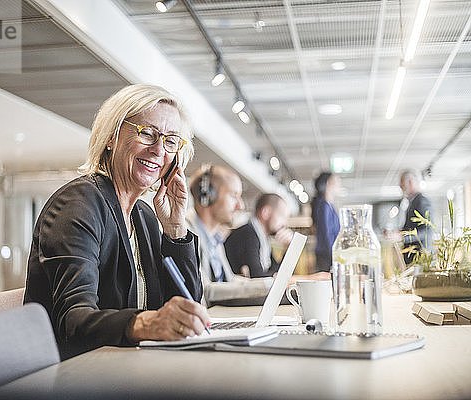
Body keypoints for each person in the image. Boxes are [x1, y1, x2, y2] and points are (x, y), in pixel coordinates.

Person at [24, 84, 210, 360]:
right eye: (147, 133)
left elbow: (186, 307)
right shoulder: (78, 204)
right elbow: (73, 321)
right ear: (111, 137)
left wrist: (174, 228)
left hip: (126, 365)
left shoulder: (144, 216)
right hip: (73, 376)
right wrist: (146, 323)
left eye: (171, 140)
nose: (159, 149)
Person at [187, 165, 273, 306]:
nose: (240, 205)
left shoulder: (215, 238)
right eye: (234, 196)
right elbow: (206, 291)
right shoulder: (185, 234)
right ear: (207, 196)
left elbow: (229, 281)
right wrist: (267, 286)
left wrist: (277, 284)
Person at [225, 193, 331, 285]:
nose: (285, 223)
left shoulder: (261, 236)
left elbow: (276, 272)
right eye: (282, 217)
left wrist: (289, 247)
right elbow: (259, 279)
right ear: (266, 212)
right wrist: (308, 279)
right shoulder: (248, 235)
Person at [399, 169, 433, 264]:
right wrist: (398, 233)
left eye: (401, 183)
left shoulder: (422, 202)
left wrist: (402, 237)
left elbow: (427, 231)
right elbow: (412, 228)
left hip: (421, 258)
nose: (400, 186)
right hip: (414, 258)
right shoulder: (413, 202)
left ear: (410, 182)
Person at [311, 172, 341, 272]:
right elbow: (326, 232)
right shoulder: (324, 206)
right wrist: (333, 256)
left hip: (329, 252)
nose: (339, 185)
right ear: (328, 183)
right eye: (337, 182)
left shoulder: (329, 206)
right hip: (327, 254)